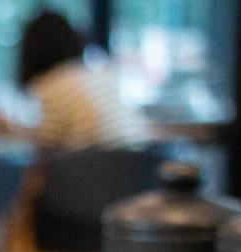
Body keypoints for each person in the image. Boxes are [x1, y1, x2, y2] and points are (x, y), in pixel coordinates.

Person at [17, 12, 150, 151]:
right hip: (140, 162)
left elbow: (46, 145)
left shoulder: (50, 83)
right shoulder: (96, 73)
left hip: (96, 165)